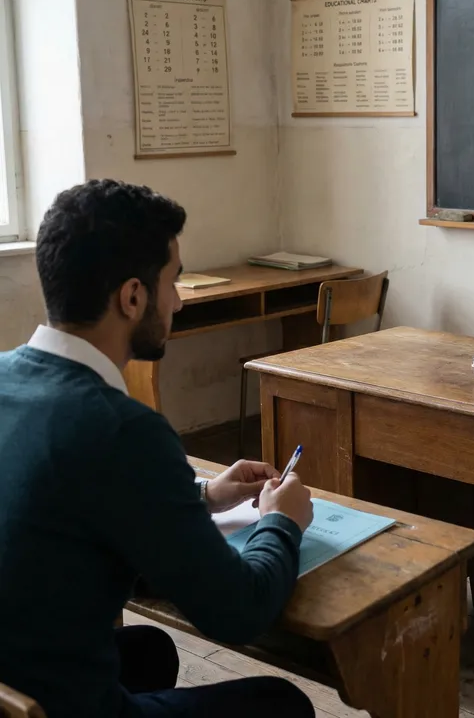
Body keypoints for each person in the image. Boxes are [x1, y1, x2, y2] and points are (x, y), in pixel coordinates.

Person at [0, 179, 316, 717]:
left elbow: (75, 499)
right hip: (57, 707)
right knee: (282, 704)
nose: (177, 300)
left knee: (150, 650)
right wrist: (281, 523)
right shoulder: (123, 429)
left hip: (14, 680)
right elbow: (239, 611)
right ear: (132, 296)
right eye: (173, 282)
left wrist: (201, 496)